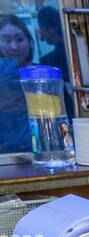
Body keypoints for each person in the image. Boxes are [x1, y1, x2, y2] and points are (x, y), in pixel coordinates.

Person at [0, 13, 36, 154]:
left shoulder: (45, 76)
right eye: (6, 40)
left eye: (19, 39)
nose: (14, 47)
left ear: (29, 40)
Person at [37, 5, 69, 79]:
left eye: (41, 27)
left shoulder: (47, 61)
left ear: (51, 30)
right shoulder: (72, 49)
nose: (39, 32)